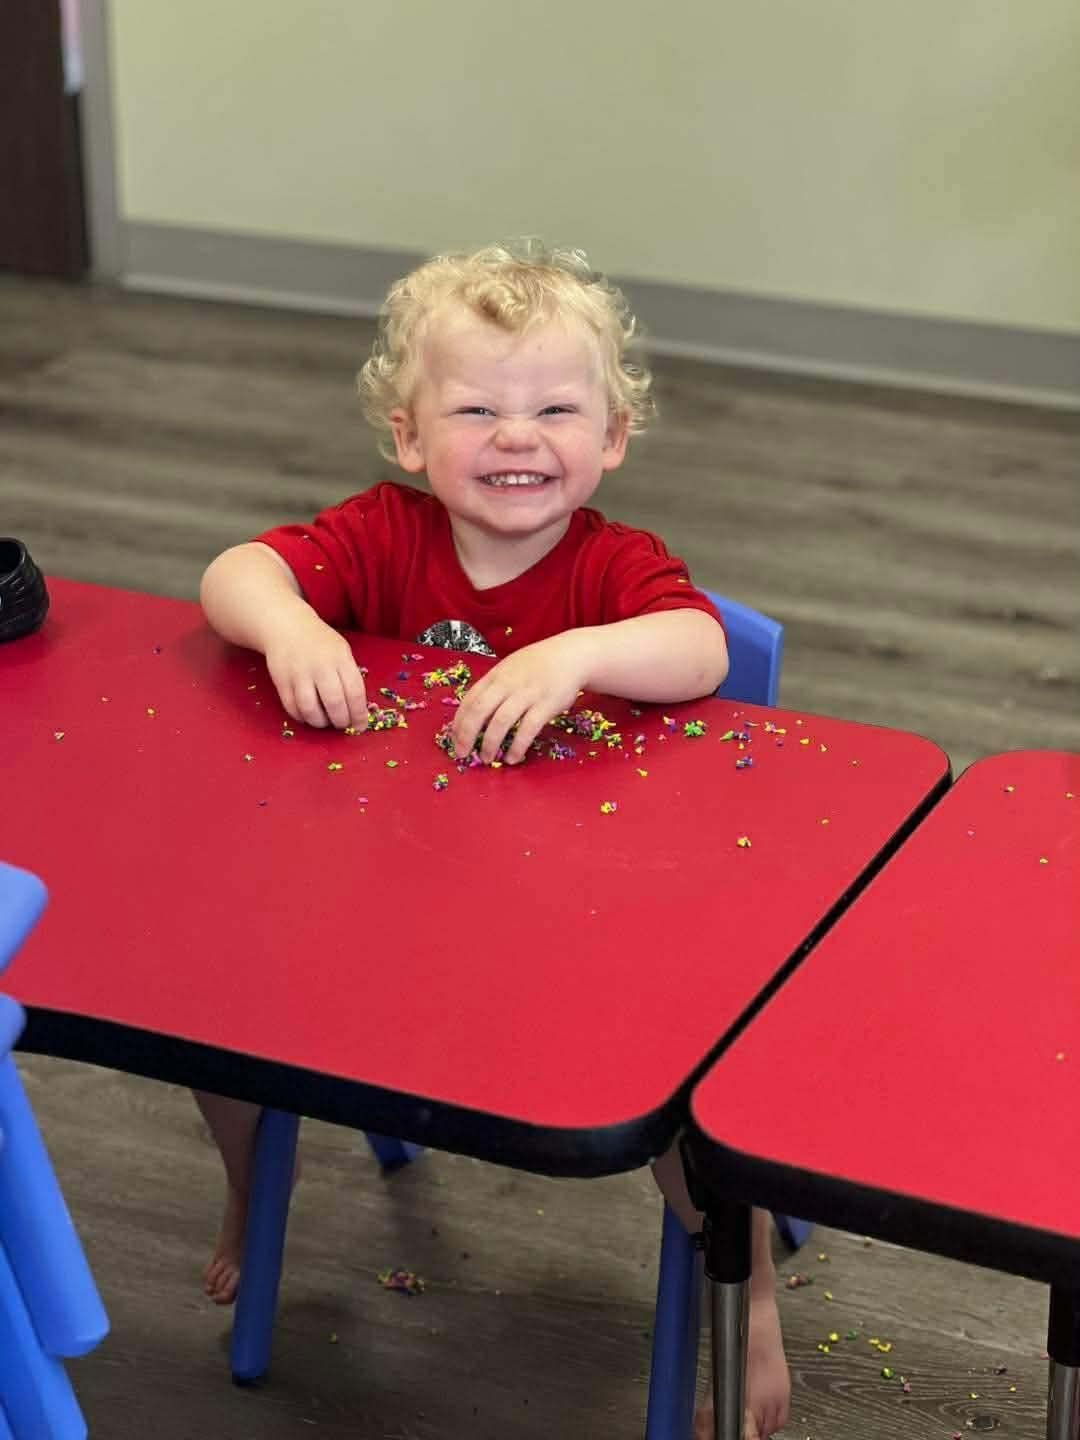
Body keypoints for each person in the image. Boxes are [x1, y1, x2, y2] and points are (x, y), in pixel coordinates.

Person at [195, 240, 789, 1439]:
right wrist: (291, 631)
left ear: (613, 437)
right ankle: (254, 1185)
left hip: (580, 931)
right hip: (395, 904)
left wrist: (576, 652)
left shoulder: (615, 565)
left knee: (683, 1084)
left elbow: (704, 650)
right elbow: (237, 571)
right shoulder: (383, 534)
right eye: (477, 408)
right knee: (215, 1020)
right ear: (411, 437)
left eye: (556, 408)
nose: (518, 437)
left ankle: (751, 1282)